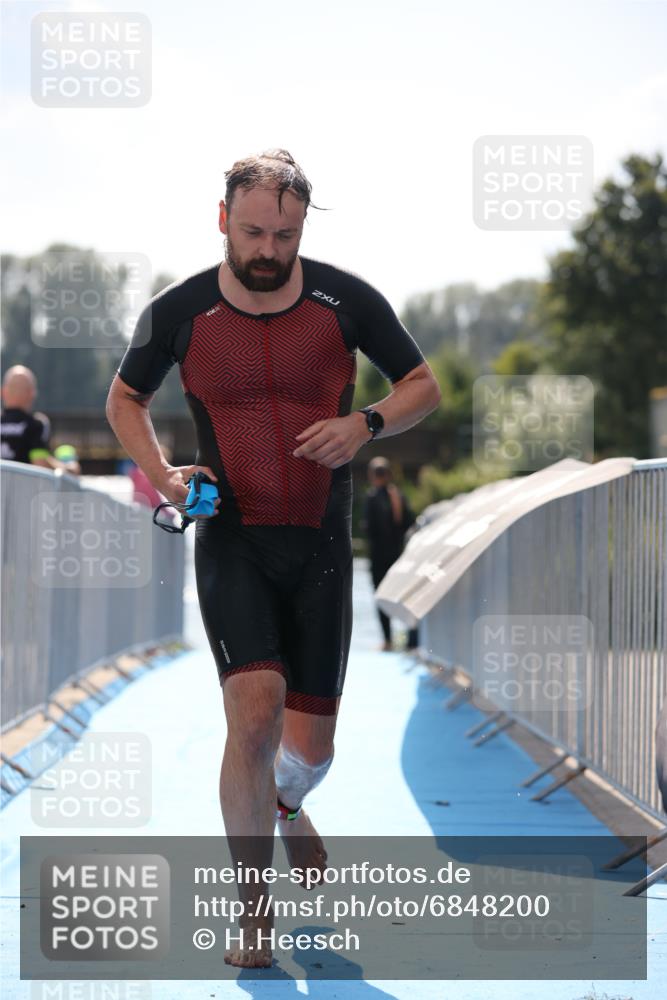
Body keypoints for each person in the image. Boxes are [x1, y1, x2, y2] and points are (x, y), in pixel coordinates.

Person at [106, 148, 441, 968]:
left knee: (311, 748)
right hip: (234, 537)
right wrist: (164, 478)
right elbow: (125, 400)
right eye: (253, 231)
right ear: (223, 219)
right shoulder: (178, 311)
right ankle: (252, 914)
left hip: (323, 542)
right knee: (253, 714)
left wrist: (364, 423)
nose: (267, 250)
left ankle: (289, 804)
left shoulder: (347, 300)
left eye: (284, 235)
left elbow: (421, 386)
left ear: (303, 227)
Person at [362, 456, 420, 652]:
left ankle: (388, 640)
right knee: (404, 596)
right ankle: (412, 639)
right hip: (398, 556)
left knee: (381, 597)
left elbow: (369, 528)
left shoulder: (372, 498)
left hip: (380, 557)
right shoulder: (399, 496)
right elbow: (410, 524)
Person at [1, 366, 63, 470]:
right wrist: (68, 469)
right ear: (32, 393)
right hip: (23, 485)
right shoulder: (36, 424)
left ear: (2, 392)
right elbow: (40, 462)